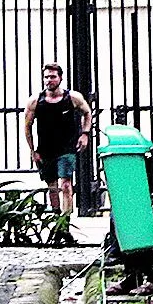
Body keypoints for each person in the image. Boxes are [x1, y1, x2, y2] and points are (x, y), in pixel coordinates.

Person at [23, 63, 92, 216]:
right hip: (45, 149)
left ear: (60, 78)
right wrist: (33, 150)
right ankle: (56, 219)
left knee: (66, 184)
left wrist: (85, 134)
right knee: (52, 187)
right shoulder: (35, 101)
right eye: (46, 77)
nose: (49, 80)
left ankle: (66, 222)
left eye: (53, 77)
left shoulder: (72, 98)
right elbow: (27, 127)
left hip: (67, 148)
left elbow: (87, 113)